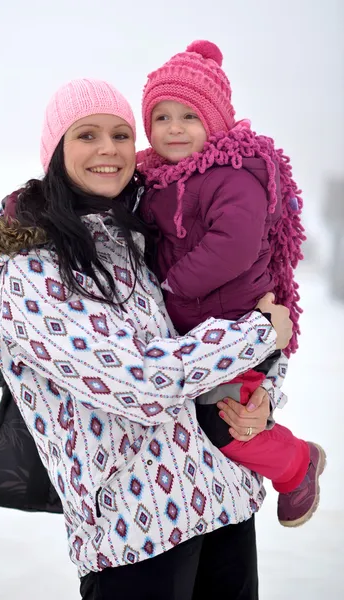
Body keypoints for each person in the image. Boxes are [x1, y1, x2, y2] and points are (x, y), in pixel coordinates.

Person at [0, 78, 292, 600]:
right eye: (87, 135)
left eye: (122, 134)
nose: (109, 149)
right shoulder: (35, 268)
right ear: (55, 151)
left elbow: (226, 315)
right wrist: (255, 336)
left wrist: (260, 401)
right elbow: (138, 383)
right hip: (136, 530)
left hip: (225, 502)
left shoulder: (147, 234)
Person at [138, 40, 326, 529]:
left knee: (224, 424)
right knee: (207, 419)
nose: (174, 128)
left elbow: (235, 246)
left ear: (216, 123)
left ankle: (298, 465)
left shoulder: (232, 175)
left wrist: (171, 287)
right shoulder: (158, 179)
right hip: (201, 332)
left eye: (189, 117)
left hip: (241, 325)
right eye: (162, 117)